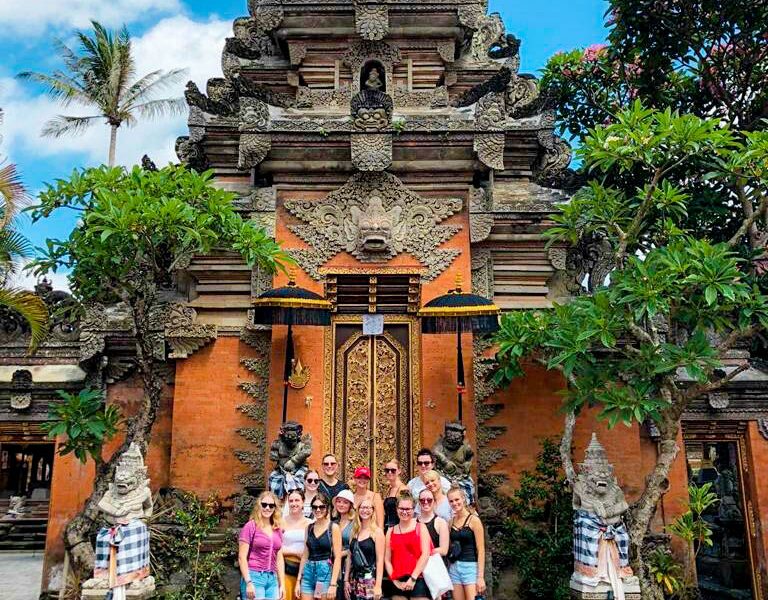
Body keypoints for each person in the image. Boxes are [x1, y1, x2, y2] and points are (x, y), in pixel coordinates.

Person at [238, 491, 285, 600]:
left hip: (272, 579)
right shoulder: (250, 526)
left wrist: (282, 584)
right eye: (264, 505)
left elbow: (279, 558)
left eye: (271, 505)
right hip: (254, 576)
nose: (267, 508)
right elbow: (242, 557)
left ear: (275, 508)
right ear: (259, 506)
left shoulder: (277, 529)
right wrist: (248, 582)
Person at [384, 492, 431, 600]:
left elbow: (425, 554)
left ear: (413, 509)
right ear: (396, 509)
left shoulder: (421, 527)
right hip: (398, 580)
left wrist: (413, 579)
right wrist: (395, 582)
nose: (404, 512)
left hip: (418, 578)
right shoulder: (390, 531)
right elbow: (387, 559)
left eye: (408, 509)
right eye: (401, 508)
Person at [297, 493, 342, 600]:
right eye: (315, 507)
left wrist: (333, 584)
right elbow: (305, 555)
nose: (318, 510)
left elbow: (338, 557)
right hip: (308, 573)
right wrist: (298, 579)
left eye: (321, 507)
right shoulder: (309, 528)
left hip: (324, 573)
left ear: (327, 508)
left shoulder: (333, 528)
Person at [447, 487, 485, 600]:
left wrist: (480, 577)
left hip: (470, 568)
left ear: (463, 499)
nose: (455, 503)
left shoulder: (474, 520)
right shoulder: (450, 522)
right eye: (451, 501)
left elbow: (481, 549)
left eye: (457, 499)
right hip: (454, 568)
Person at [344, 497, 385, 600]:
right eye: (362, 507)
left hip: (369, 579)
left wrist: (378, 586)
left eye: (368, 508)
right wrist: (346, 580)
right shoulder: (354, 531)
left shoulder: (377, 532)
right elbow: (349, 557)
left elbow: (380, 561)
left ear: (373, 510)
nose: (365, 510)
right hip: (354, 579)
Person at [283, 489, 311, 600]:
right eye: (291, 501)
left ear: (303, 502)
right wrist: (295, 552)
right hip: (286, 568)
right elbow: (276, 547)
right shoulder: (280, 522)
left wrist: (303, 555)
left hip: (305, 569)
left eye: (297, 500)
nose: (294, 503)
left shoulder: (310, 523)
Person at [333, 489, 356, 599]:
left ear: (350, 506)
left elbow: (354, 547)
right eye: (339, 501)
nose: (341, 505)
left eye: (345, 502)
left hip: (348, 565)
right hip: (333, 564)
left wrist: (339, 553)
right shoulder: (333, 522)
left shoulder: (354, 524)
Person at [417, 488, 449, 562]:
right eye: (422, 500)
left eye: (429, 500)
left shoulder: (440, 523)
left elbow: (444, 550)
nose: (425, 502)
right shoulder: (413, 522)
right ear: (419, 502)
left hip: (434, 565)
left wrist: (423, 554)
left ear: (434, 502)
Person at [382, 459, 409, 532]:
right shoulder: (389, 489)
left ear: (399, 471)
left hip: (399, 529)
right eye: (387, 470)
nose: (390, 472)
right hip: (388, 528)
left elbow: (407, 511)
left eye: (393, 470)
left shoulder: (403, 489)